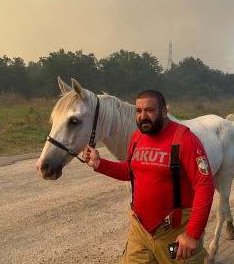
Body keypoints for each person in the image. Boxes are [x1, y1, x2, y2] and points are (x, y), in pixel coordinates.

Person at [82, 90, 215, 263]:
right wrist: (100, 164)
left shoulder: (185, 139)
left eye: (149, 110)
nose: (143, 116)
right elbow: (131, 171)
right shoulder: (137, 137)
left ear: (164, 112)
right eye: (138, 111)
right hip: (140, 232)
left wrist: (192, 234)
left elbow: (205, 185)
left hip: (174, 234)